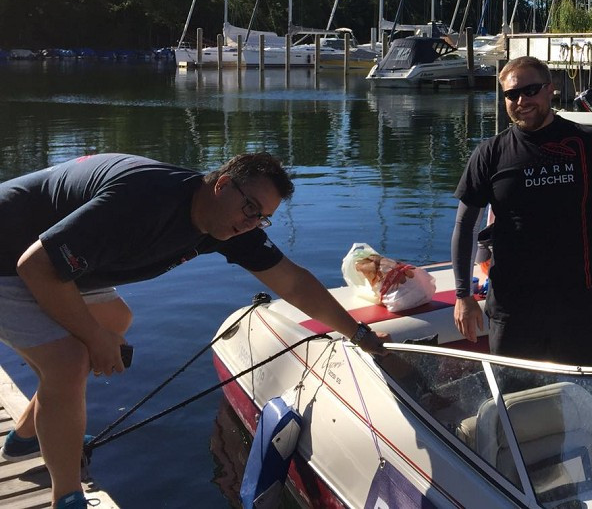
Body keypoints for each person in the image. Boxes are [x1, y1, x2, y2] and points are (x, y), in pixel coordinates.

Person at [0, 152, 387, 509]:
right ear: (222, 184)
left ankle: (29, 434)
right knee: (70, 360)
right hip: (12, 254)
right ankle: (66, 497)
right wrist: (95, 340)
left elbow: (293, 283)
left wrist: (359, 334)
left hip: (64, 259)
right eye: (249, 208)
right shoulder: (144, 200)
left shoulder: (225, 221)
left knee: (114, 322)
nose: (250, 224)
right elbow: (37, 266)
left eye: (261, 217)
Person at [451, 56, 592, 364]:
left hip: (580, 303)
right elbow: (465, 225)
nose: (521, 100)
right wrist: (462, 295)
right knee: (516, 403)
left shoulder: (587, 142)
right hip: (513, 307)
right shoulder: (490, 153)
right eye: (512, 94)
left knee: (583, 401)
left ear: (550, 90)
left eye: (531, 90)